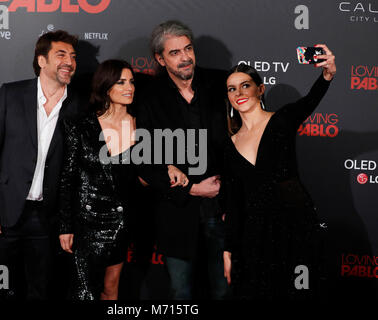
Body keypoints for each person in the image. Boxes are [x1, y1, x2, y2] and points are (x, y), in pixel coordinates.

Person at [222, 44, 336, 299]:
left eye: (245, 85)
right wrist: (228, 250)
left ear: (260, 89)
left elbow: (309, 101)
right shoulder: (229, 144)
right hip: (253, 236)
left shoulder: (281, 120)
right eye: (232, 88)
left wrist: (327, 74)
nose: (239, 92)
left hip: (293, 225)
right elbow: (234, 201)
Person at [0, 30, 84, 299]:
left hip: (47, 218)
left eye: (73, 56)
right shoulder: (11, 94)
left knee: (41, 290)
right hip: (6, 214)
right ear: (41, 60)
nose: (69, 62)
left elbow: (76, 171)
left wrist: (66, 224)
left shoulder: (80, 106)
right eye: (61, 54)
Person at [135, 20, 231, 299]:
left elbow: (245, 138)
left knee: (224, 289)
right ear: (160, 58)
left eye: (188, 48)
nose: (185, 57)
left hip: (222, 209)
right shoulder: (149, 97)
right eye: (175, 52)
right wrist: (191, 188)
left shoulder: (222, 83)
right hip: (177, 211)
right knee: (181, 291)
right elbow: (144, 160)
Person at [58, 59, 141, 300]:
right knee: (83, 292)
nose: (130, 88)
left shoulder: (141, 125)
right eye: (121, 82)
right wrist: (66, 227)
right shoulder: (82, 126)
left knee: (111, 288)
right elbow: (67, 178)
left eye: (132, 82)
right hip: (86, 224)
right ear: (106, 87)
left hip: (121, 224)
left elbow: (148, 171)